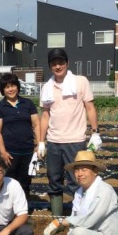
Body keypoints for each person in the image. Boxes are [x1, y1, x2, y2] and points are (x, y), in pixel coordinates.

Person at [38, 48, 101, 218]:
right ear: (50, 66)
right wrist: (41, 142)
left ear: (67, 63)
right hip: (54, 141)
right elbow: (45, 115)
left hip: (75, 140)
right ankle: (57, 218)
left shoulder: (80, 82)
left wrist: (95, 132)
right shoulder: (47, 87)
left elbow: (90, 107)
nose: (58, 66)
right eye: (54, 63)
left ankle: (80, 217)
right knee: (54, 179)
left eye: (61, 63)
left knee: (76, 180)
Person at [0, 73, 40, 197]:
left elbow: (36, 125)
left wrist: (39, 144)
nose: (10, 89)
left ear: (18, 87)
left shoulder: (27, 103)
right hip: (10, 152)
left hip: (28, 150)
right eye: (7, 87)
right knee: (9, 181)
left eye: (13, 86)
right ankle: (9, 210)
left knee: (26, 181)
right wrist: (3, 152)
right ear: (2, 90)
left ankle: (24, 208)